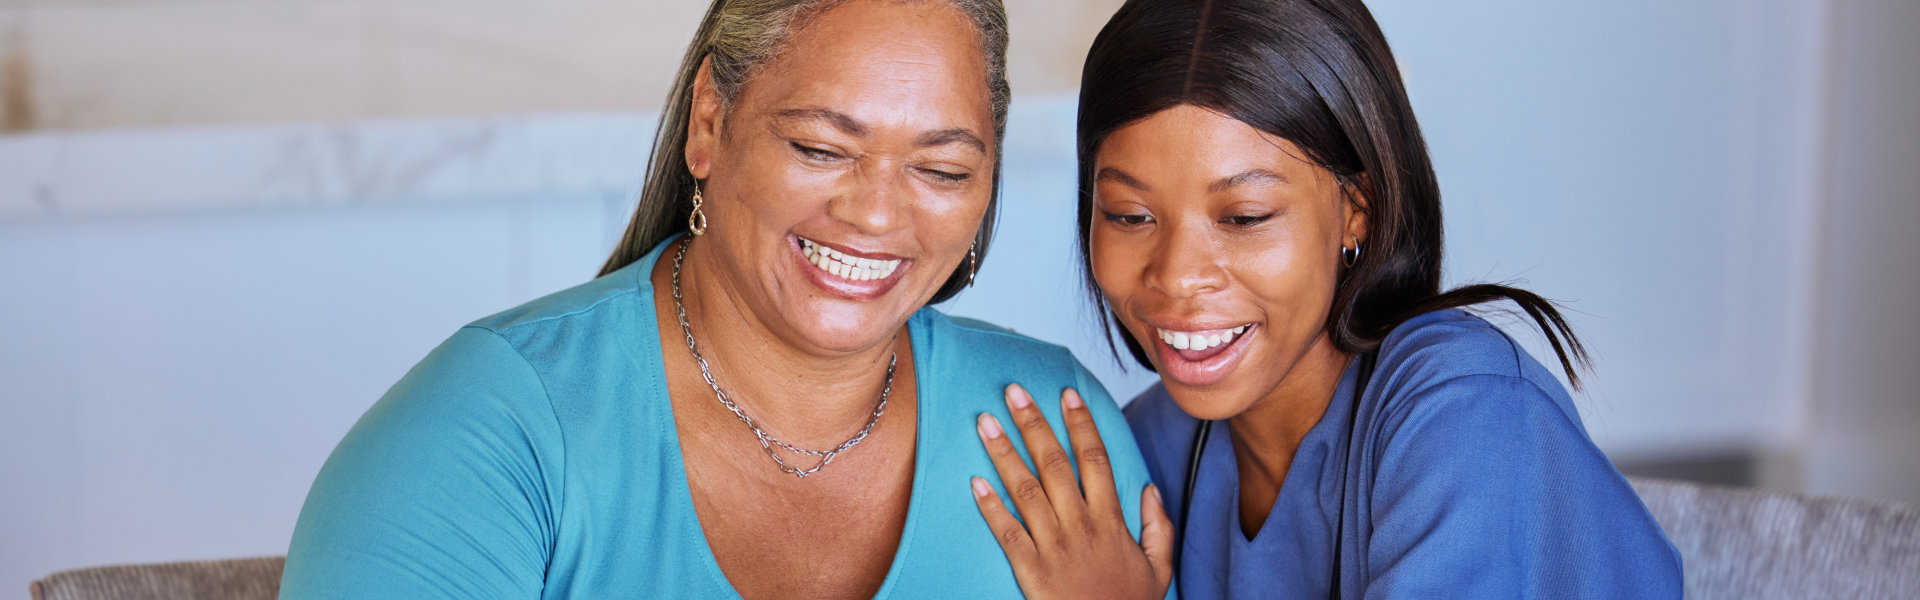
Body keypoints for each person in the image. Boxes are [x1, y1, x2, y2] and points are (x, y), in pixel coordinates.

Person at [279, 0, 1159, 598]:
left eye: (941, 169)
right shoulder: (486, 437)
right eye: (821, 147)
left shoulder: (1055, 430)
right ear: (711, 122)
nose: (877, 213)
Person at [969, 0, 1684, 597]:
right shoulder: (1152, 448)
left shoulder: (1468, 415)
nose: (1178, 276)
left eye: (1244, 218)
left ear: (1357, 209)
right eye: (1129, 215)